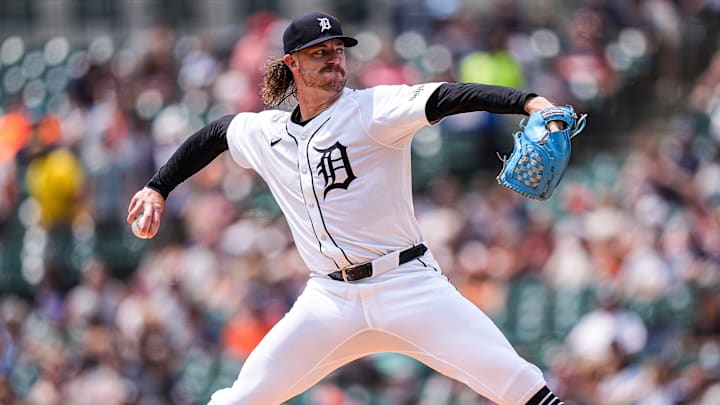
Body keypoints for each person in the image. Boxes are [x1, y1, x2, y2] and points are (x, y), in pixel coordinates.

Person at [127, 11, 568, 405]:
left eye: (337, 50)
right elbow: (217, 134)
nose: (333, 59)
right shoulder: (268, 132)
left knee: (521, 387)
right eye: (318, 52)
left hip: (407, 285)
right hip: (330, 299)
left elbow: (448, 96)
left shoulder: (372, 110)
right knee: (238, 399)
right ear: (292, 65)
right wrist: (157, 187)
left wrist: (527, 102)